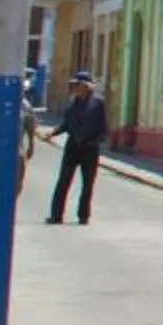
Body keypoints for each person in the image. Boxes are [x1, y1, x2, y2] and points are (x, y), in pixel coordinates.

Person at [45, 71, 108, 225]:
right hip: (72, 146)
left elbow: (103, 128)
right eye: (74, 85)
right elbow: (66, 124)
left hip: (90, 148)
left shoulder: (98, 103)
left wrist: (95, 142)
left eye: (78, 85)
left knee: (87, 183)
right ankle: (56, 215)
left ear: (86, 86)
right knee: (63, 180)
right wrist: (52, 133)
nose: (75, 88)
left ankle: (83, 215)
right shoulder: (72, 103)